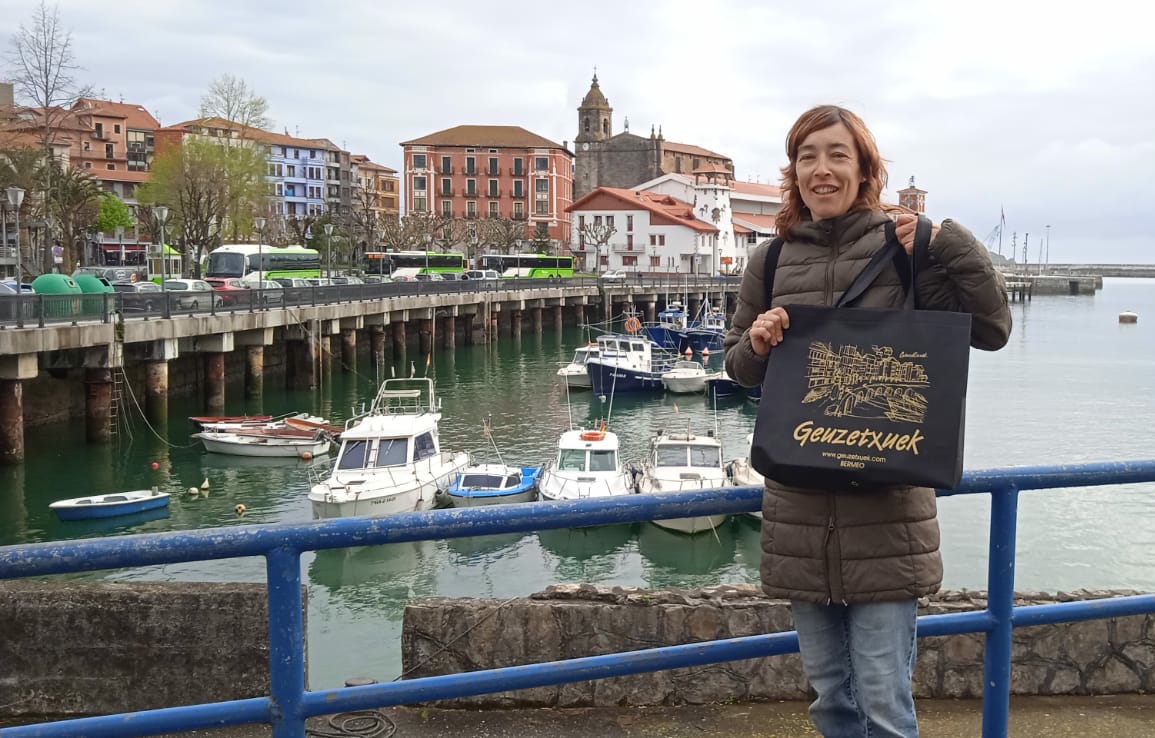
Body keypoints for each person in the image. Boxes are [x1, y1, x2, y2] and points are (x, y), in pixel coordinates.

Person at [723, 105, 1011, 738]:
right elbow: (739, 367)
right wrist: (760, 342)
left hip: (887, 518)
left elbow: (992, 330)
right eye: (807, 156)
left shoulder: (908, 249)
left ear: (864, 170)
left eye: (838, 154)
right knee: (830, 701)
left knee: (884, 705)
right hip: (799, 519)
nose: (821, 169)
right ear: (793, 171)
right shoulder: (769, 260)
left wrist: (949, 241)